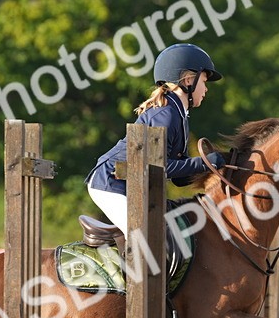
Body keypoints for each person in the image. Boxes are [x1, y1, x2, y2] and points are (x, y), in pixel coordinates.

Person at [85, 43, 226, 236]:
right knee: (146, 238)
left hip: (129, 183)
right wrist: (204, 163)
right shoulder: (165, 115)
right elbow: (158, 166)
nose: (206, 89)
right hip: (111, 183)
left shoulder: (178, 113)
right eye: (204, 81)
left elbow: (179, 177)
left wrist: (214, 167)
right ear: (188, 81)